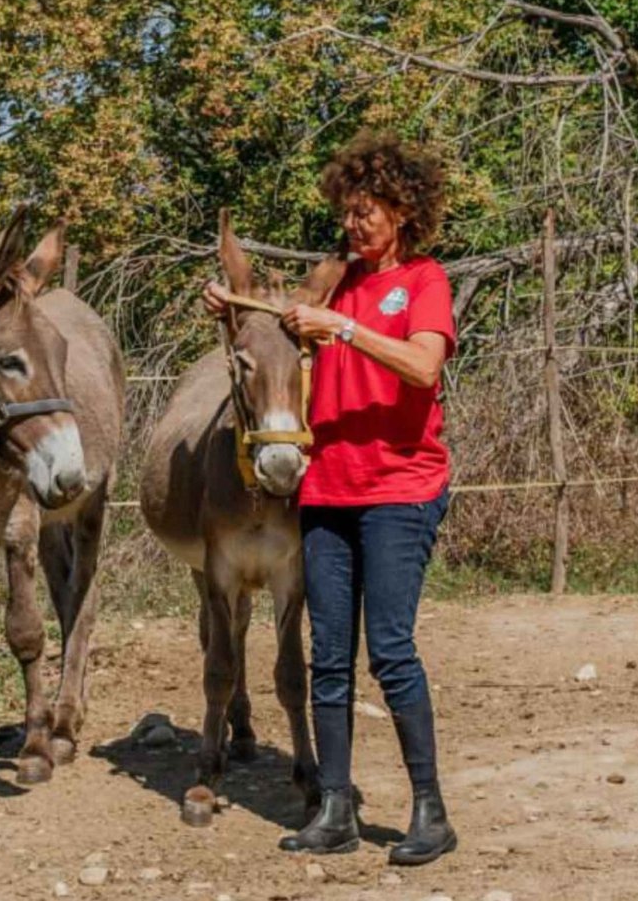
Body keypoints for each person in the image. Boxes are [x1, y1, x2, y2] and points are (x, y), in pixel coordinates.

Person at [204, 131, 457, 864]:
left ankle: (429, 810)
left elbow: (421, 366)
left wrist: (344, 328)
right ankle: (336, 806)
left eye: (367, 210)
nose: (354, 224)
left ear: (403, 211)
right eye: (347, 211)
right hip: (328, 489)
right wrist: (229, 303)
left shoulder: (424, 281)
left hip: (400, 490)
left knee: (391, 650)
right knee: (329, 656)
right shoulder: (334, 280)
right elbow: (268, 320)